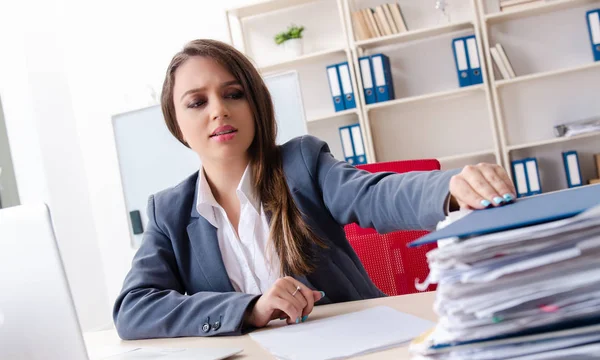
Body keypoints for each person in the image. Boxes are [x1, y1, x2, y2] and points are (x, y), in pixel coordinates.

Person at [113, 39, 516, 340]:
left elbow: (375, 194)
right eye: (196, 102)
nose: (218, 109)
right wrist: (248, 309)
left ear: (255, 105)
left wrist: (449, 187)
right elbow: (133, 309)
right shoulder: (169, 211)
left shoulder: (301, 164)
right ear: (177, 124)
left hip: (355, 350)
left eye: (233, 94)